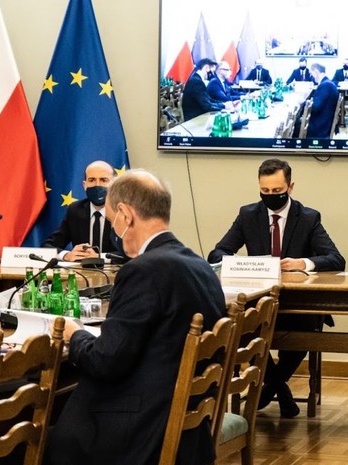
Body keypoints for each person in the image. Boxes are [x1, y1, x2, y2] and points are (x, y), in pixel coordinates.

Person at [46, 169, 225, 465]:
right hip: (186, 429)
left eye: (112, 221)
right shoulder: (199, 265)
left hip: (139, 430)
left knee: (19, 444)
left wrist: (74, 334)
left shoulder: (142, 271)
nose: (114, 230)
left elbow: (105, 361)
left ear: (125, 215)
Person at [208, 158, 345, 418]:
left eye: (277, 191)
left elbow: (336, 259)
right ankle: (279, 389)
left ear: (290, 187)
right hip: (258, 301)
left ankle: (269, 388)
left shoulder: (308, 217)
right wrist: (244, 264)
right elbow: (217, 254)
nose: (271, 196)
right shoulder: (248, 215)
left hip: (298, 305)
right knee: (242, 326)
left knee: (305, 331)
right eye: (265, 191)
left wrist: (302, 263)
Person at [42, 160, 117, 261]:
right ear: (85, 185)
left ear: (114, 184)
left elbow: (132, 253)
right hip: (81, 270)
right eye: (92, 180)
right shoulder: (75, 210)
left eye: (103, 180)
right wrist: (67, 255)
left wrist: (99, 257)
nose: (97, 185)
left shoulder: (123, 211)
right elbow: (48, 246)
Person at [306, 63, 339, 139]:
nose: (311, 77)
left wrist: (304, 103)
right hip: (325, 122)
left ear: (316, 72)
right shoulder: (328, 83)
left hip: (321, 127)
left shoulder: (325, 86)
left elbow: (315, 107)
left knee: (294, 127)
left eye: (311, 74)